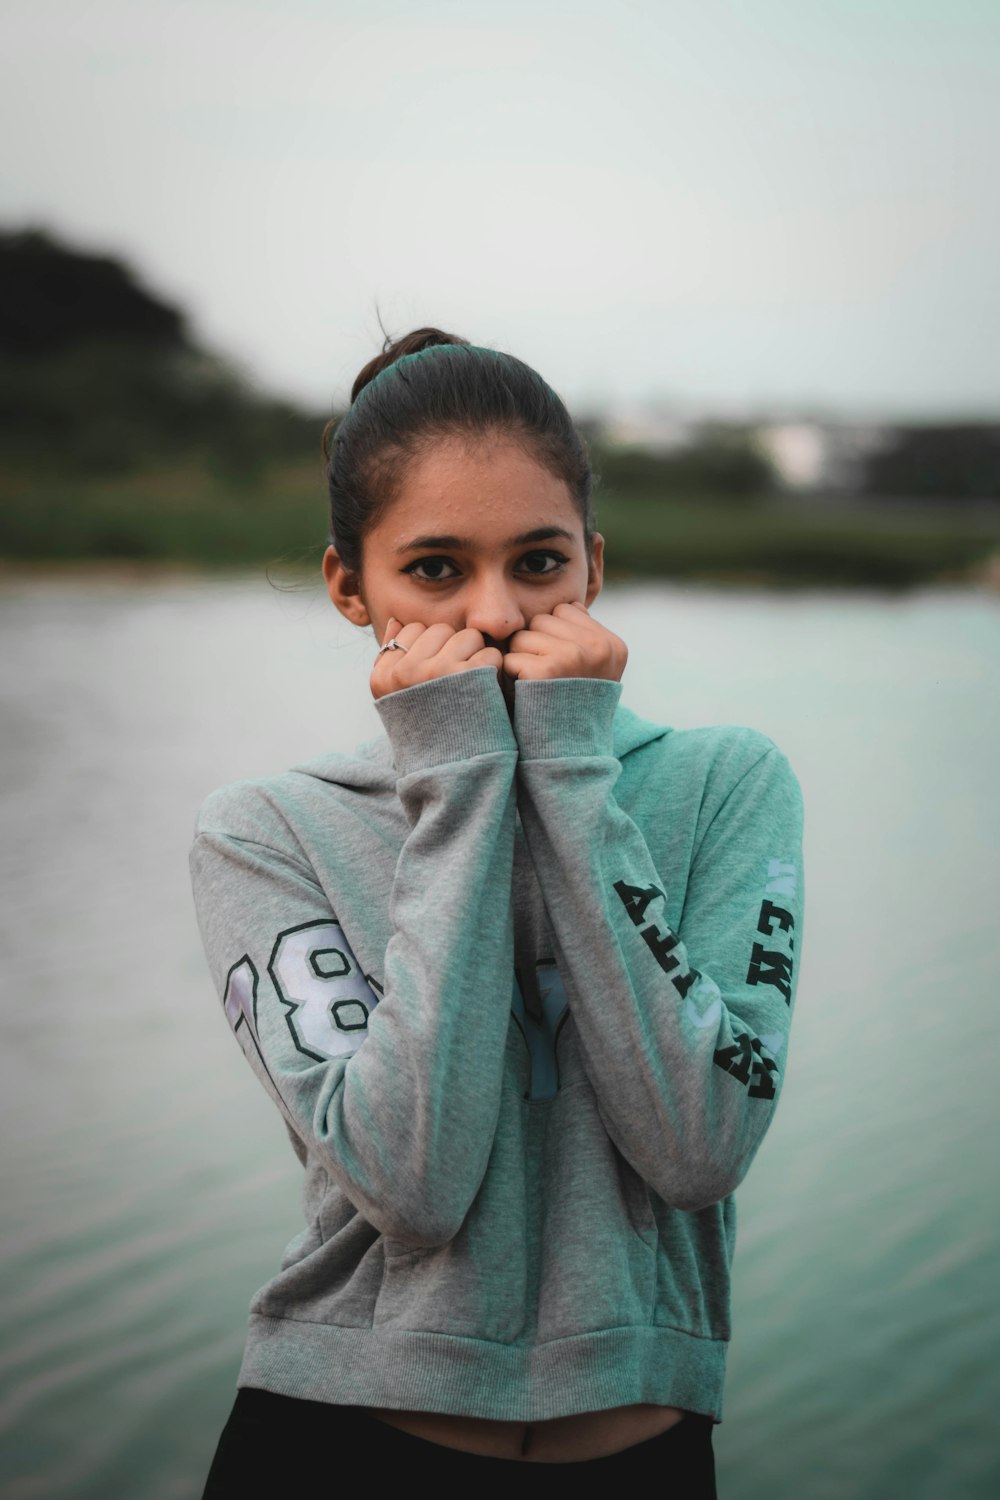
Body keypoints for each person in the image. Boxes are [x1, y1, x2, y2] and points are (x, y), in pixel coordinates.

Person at [190, 328, 803, 1493]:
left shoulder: (725, 783)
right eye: (433, 569)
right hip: (335, 1440)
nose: (498, 611)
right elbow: (409, 1183)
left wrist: (572, 777)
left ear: (593, 567)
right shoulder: (265, 830)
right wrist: (461, 781)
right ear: (347, 585)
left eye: (537, 562)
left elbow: (699, 1148)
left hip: (645, 1448)